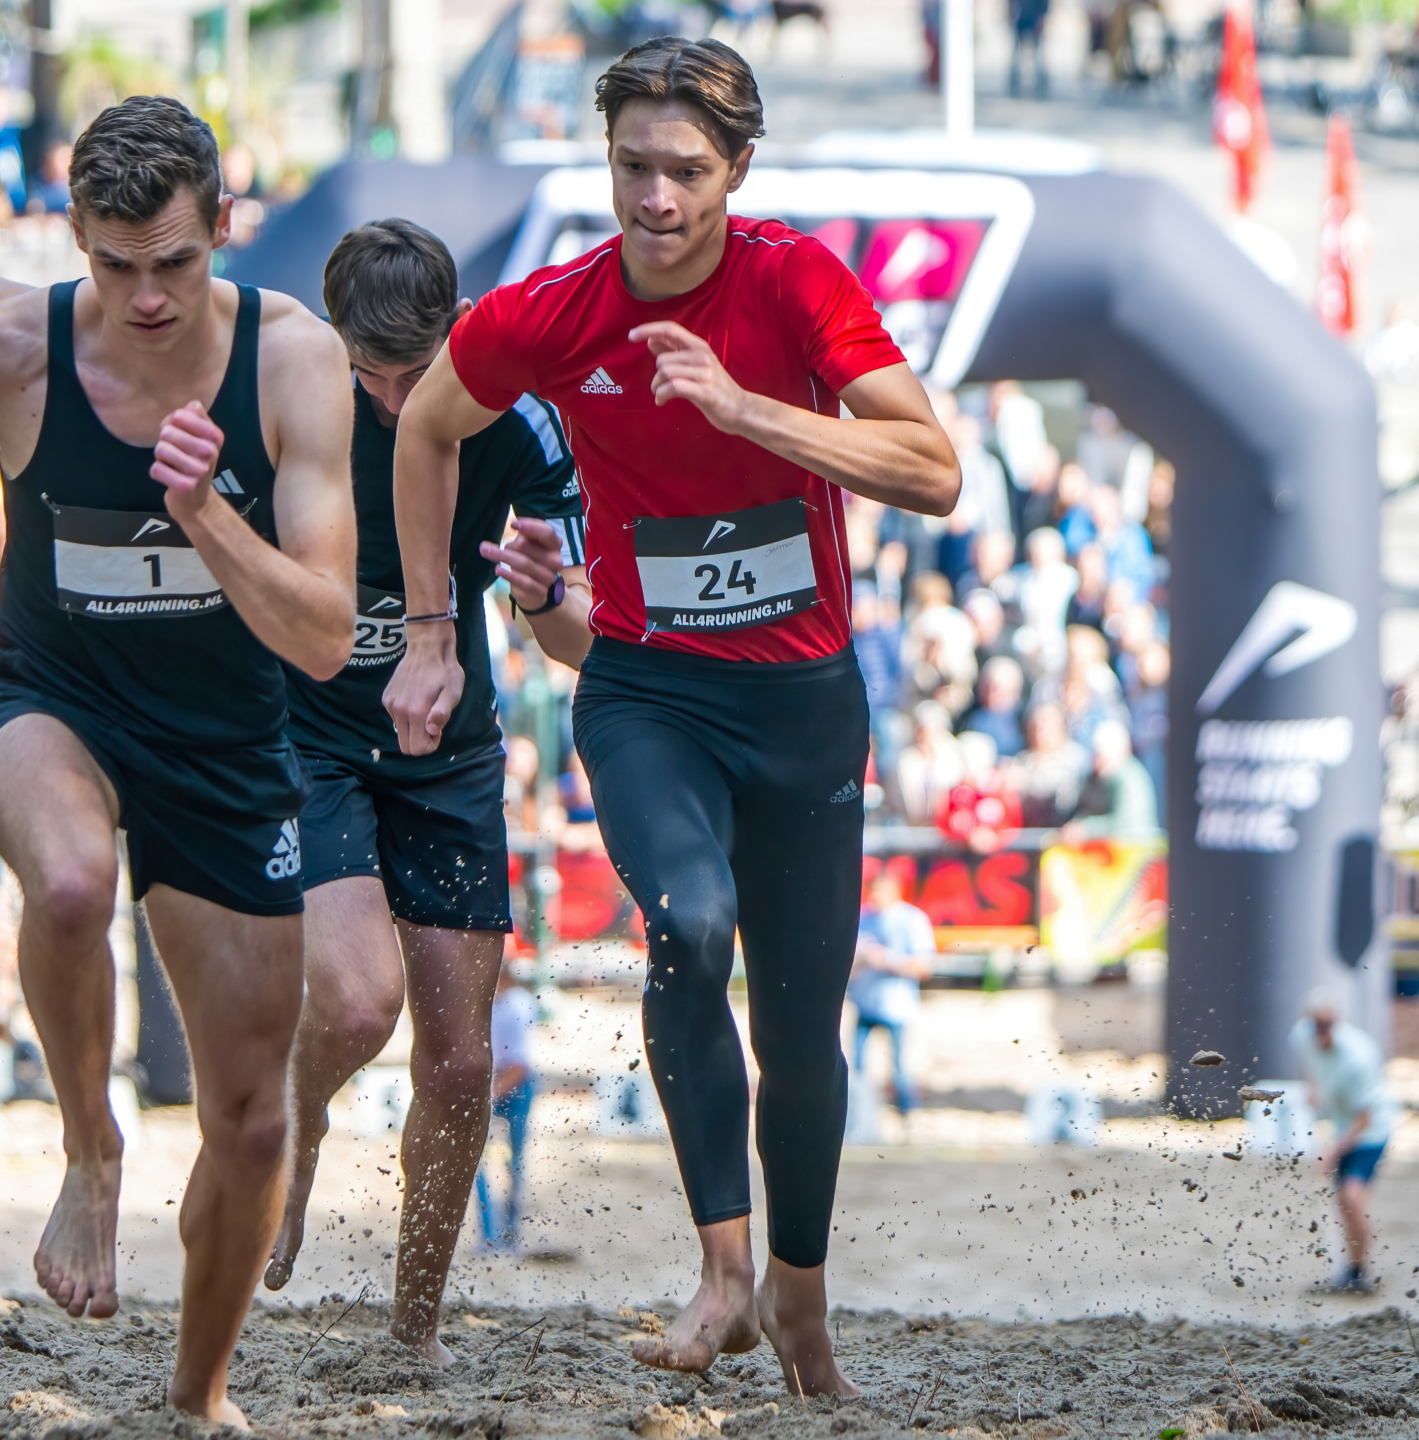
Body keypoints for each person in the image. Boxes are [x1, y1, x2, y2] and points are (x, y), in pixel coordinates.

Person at [381, 38, 959, 1394]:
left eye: (685, 171)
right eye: (633, 165)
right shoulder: (554, 311)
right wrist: (426, 631)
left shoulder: (795, 283)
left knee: (806, 1023)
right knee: (689, 927)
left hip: (805, 701)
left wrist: (751, 409)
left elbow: (930, 469)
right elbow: (423, 428)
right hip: (648, 688)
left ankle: (800, 1301)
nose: (655, 197)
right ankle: (720, 1269)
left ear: (737, 171)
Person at [0, 95, 354, 1425]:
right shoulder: (14, 341)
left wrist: (202, 519)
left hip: (225, 738)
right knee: (62, 883)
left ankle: (199, 1395)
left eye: (174, 261)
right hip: (44, 687)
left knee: (252, 1120)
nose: (149, 296)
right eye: (116, 266)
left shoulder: (293, 363)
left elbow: (330, 638)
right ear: (76, 242)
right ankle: (90, 1151)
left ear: (224, 228)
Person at [259, 219, 589, 1361]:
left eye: (419, 373)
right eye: (374, 375)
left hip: (448, 748)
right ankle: (296, 1130)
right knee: (356, 1004)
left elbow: (578, 642)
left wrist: (546, 592)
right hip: (312, 735)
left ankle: (414, 1327)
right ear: (338, 344)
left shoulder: (515, 415)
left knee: (459, 1067)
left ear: (456, 332)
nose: (399, 403)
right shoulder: (288, 392)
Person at [1292, 987, 1398, 1296]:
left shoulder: (1358, 1057)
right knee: (1342, 1202)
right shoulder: (1301, 1036)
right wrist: (1313, 1087)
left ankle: (1360, 1274)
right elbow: (1308, 1062)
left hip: (1371, 1130)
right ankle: (1349, 1270)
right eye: (1315, 1024)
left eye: (1326, 1024)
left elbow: (1365, 1117)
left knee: (1352, 1197)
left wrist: (1332, 1153)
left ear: (1337, 1021)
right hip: (1341, 1126)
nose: (1319, 1032)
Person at [850, 869, 934, 1120]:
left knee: (899, 1068)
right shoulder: (863, 917)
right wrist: (862, 960)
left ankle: (906, 1114)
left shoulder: (911, 919)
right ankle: (859, 1117)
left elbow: (924, 966)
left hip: (897, 1006)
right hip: (865, 1004)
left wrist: (887, 960)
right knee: (857, 1067)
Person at [474, 963, 538, 1252]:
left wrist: (488, 1095)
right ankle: (490, 1235)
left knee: (513, 1163)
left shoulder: (517, 1006)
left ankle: (511, 1234)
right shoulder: (482, 1004)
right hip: (492, 1082)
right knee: (479, 1163)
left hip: (514, 1085)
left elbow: (518, 1066)